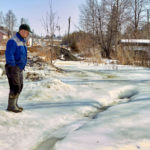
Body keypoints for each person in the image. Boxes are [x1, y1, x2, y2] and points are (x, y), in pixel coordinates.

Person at [5, 24, 32, 113]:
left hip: (19, 68)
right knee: (15, 87)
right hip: (13, 68)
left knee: (20, 86)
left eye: (28, 33)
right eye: (27, 32)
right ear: (22, 31)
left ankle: (14, 104)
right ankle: (11, 106)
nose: (28, 34)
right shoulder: (13, 41)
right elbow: (9, 54)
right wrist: (13, 66)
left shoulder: (22, 40)